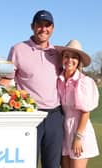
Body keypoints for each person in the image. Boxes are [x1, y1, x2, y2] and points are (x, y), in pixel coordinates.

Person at [0, 10, 64, 168]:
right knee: (27, 163)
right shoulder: (18, 49)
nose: (43, 29)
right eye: (39, 25)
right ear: (32, 27)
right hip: (29, 116)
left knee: (52, 165)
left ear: (53, 28)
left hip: (55, 116)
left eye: (47, 25)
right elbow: (6, 80)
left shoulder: (58, 53)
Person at [55, 40, 99, 168]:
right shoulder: (59, 79)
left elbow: (86, 112)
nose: (70, 60)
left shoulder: (84, 82)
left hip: (79, 131)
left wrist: (78, 137)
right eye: (66, 56)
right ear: (62, 58)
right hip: (64, 131)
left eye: (74, 57)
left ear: (79, 61)